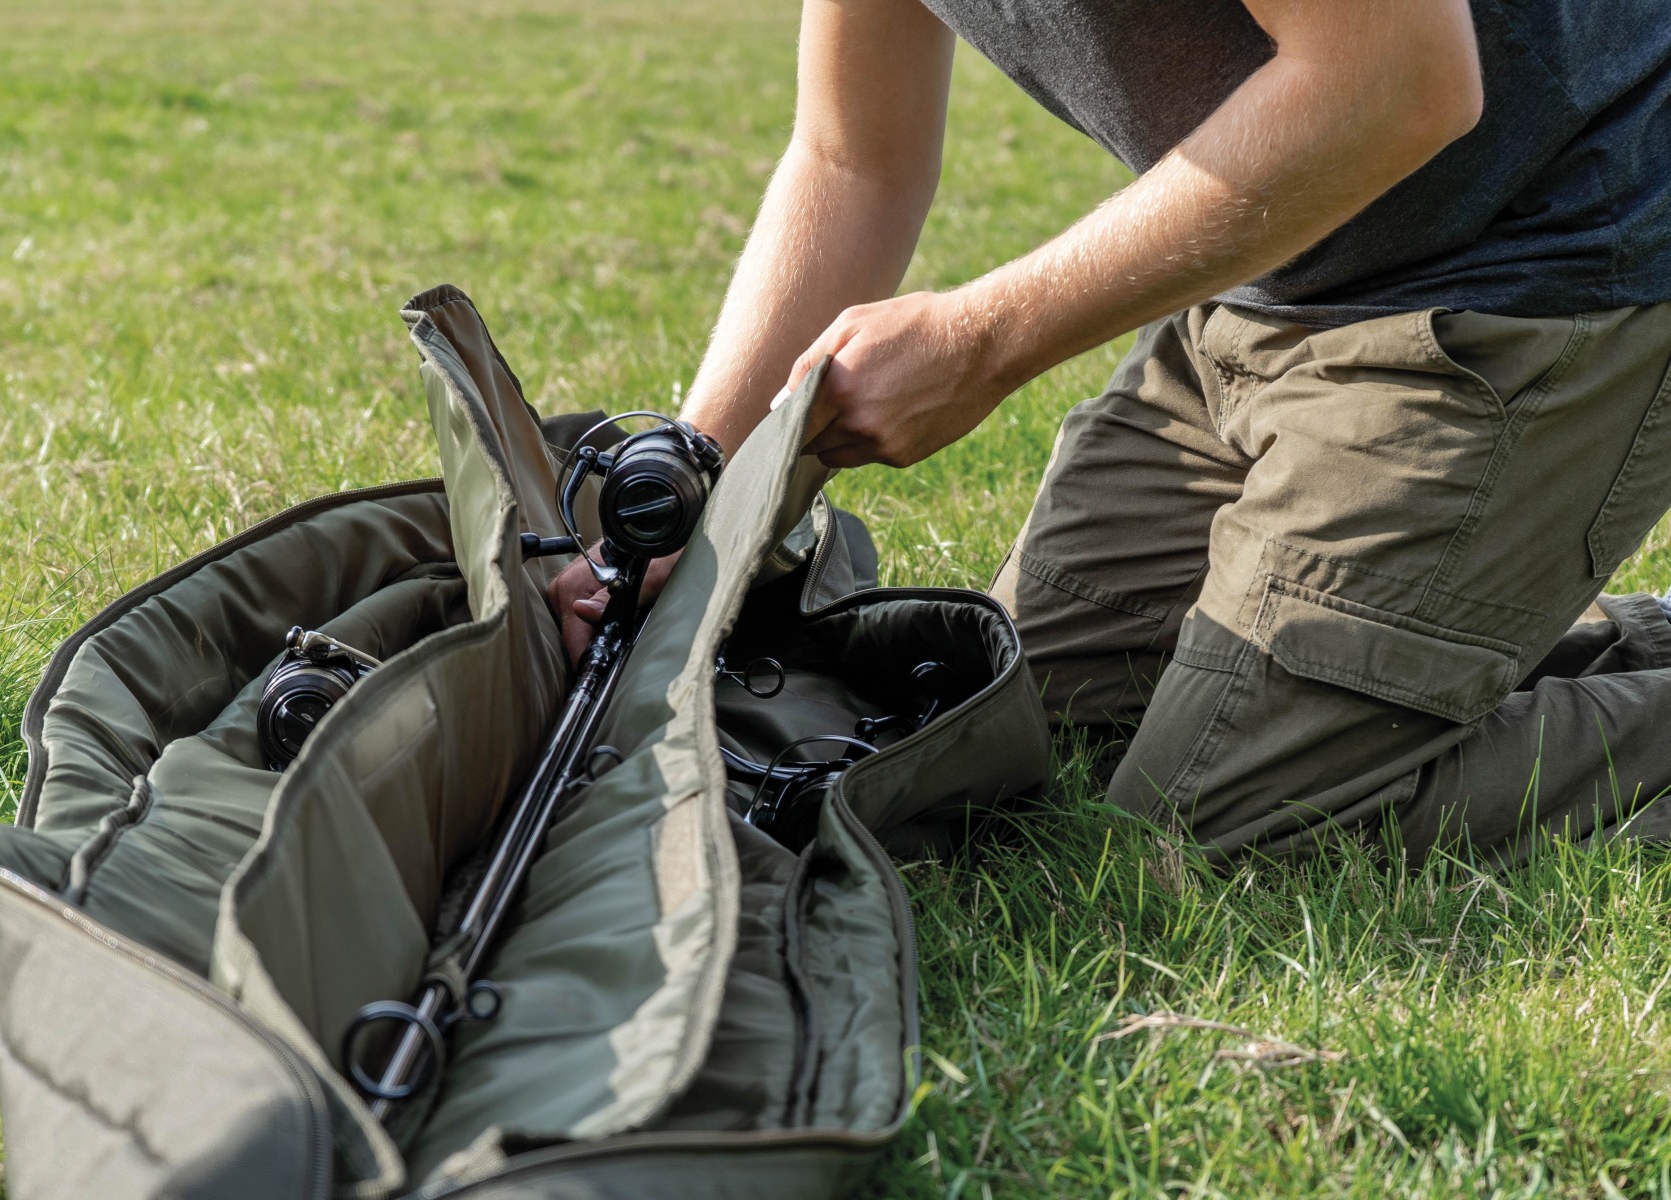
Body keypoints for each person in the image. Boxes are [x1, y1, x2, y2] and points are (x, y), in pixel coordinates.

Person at [550, 0, 1671, 864]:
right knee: (1022, 727)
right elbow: (854, 161)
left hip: (1550, 270)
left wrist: (985, 341)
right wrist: (691, 497)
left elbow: (1396, 81)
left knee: (1222, 824)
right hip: (1276, 287)